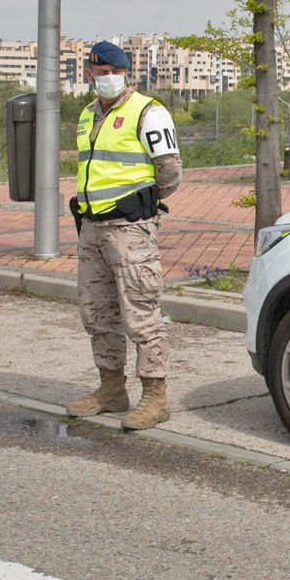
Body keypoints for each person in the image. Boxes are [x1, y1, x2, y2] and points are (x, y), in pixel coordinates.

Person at [65, 41, 182, 430]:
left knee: (141, 314)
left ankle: (155, 397)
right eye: (99, 73)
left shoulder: (148, 111)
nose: (106, 79)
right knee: (97, 314)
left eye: (113, 72)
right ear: (89, 75)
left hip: (129, 229)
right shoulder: (86, 115)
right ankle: (112, 389)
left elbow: (169, 171)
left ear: (126, 73)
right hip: (92, 228)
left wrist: (142, 205)